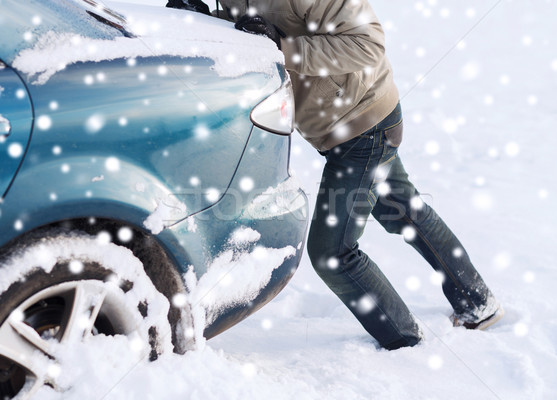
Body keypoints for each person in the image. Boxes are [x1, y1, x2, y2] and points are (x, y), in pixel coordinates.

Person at [174, 0, 504, 350]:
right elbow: (252, 28)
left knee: (333, 254)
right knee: (401, 210)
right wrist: (203, 19)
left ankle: (405, 343)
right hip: (341, 125)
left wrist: (285, 49)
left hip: (364, 124)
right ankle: (476, 302)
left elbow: (368, 44)